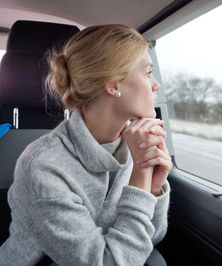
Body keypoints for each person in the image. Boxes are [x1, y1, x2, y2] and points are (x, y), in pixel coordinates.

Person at [0, 24, 172, 265]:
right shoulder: (42, 165)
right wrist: (141, 175)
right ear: (113, 85)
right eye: (147, 72)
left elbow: (150, 237)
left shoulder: (135, 147)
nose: (157, 85)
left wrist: (153, 188)